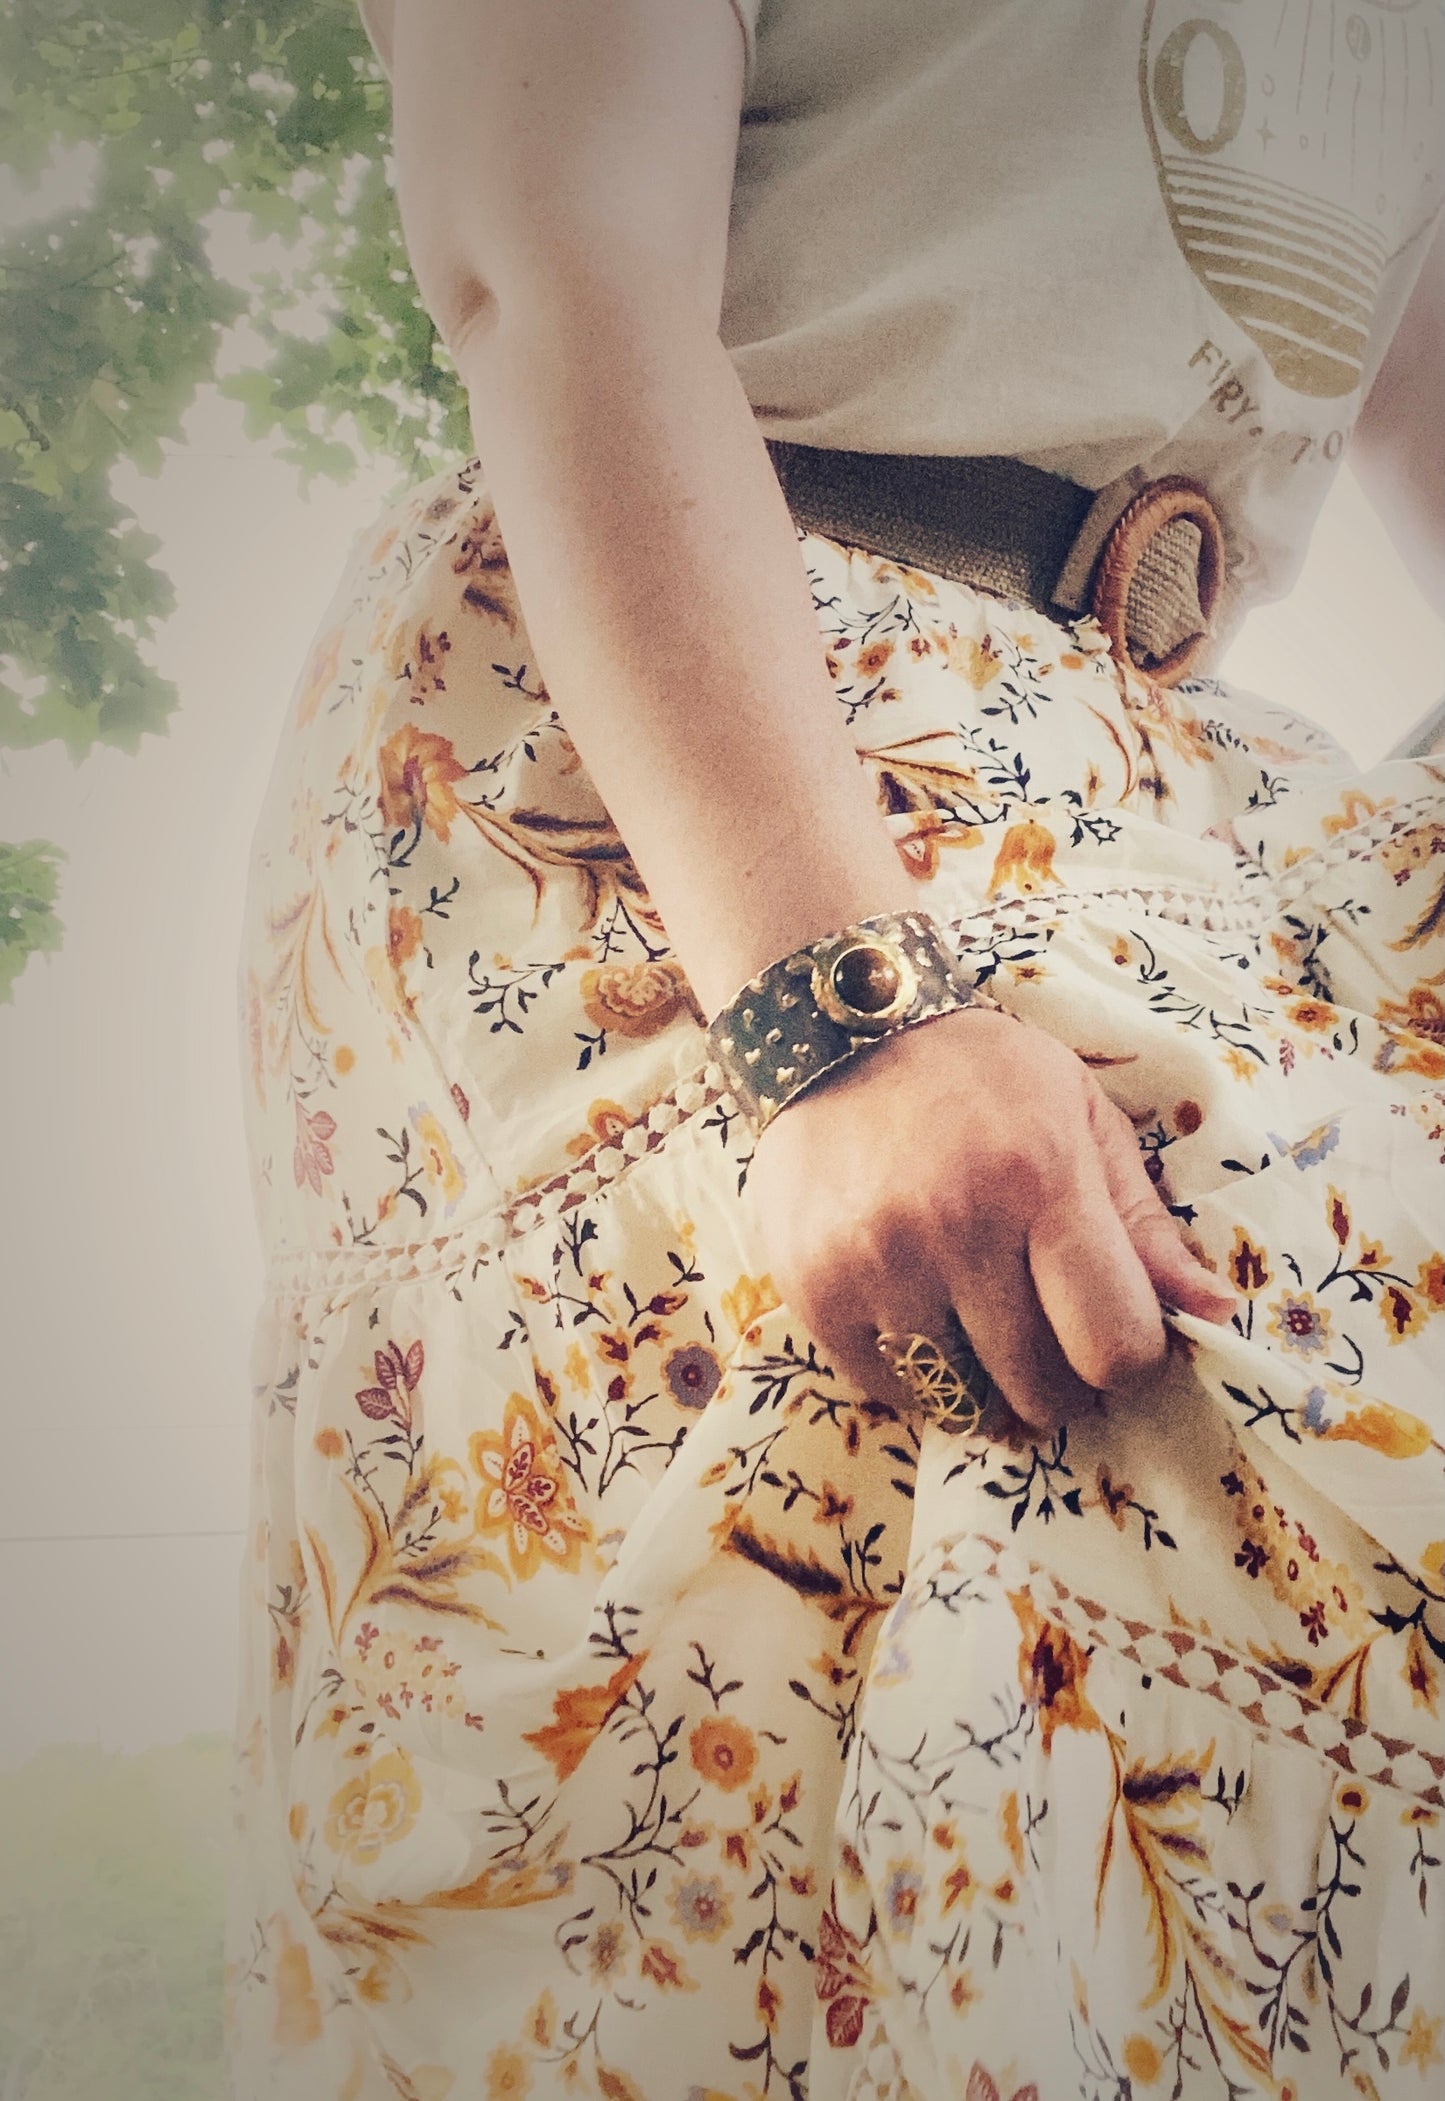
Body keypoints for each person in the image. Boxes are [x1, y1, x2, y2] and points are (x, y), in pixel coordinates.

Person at [224, 3, 1445, 2095]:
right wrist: (837, 1018)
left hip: (1158, 778)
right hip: (709, 756)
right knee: (705, 1855)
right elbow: (550, 257)